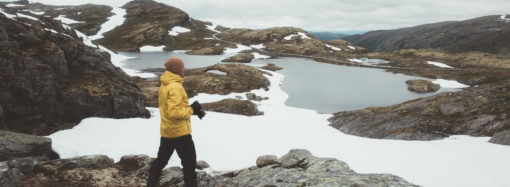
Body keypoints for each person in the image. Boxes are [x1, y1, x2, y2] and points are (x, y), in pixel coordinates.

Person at [147, 57, 205, 187]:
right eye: (182, 67)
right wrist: (191, 110)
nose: (184, 69)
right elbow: (174, 113)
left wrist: (193, 111)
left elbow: (171, 109)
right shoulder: (175, 86)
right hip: (180, 133)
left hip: (168, 131)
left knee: (160, 161)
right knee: (189, 163)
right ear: (176, 70)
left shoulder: (165, 84)